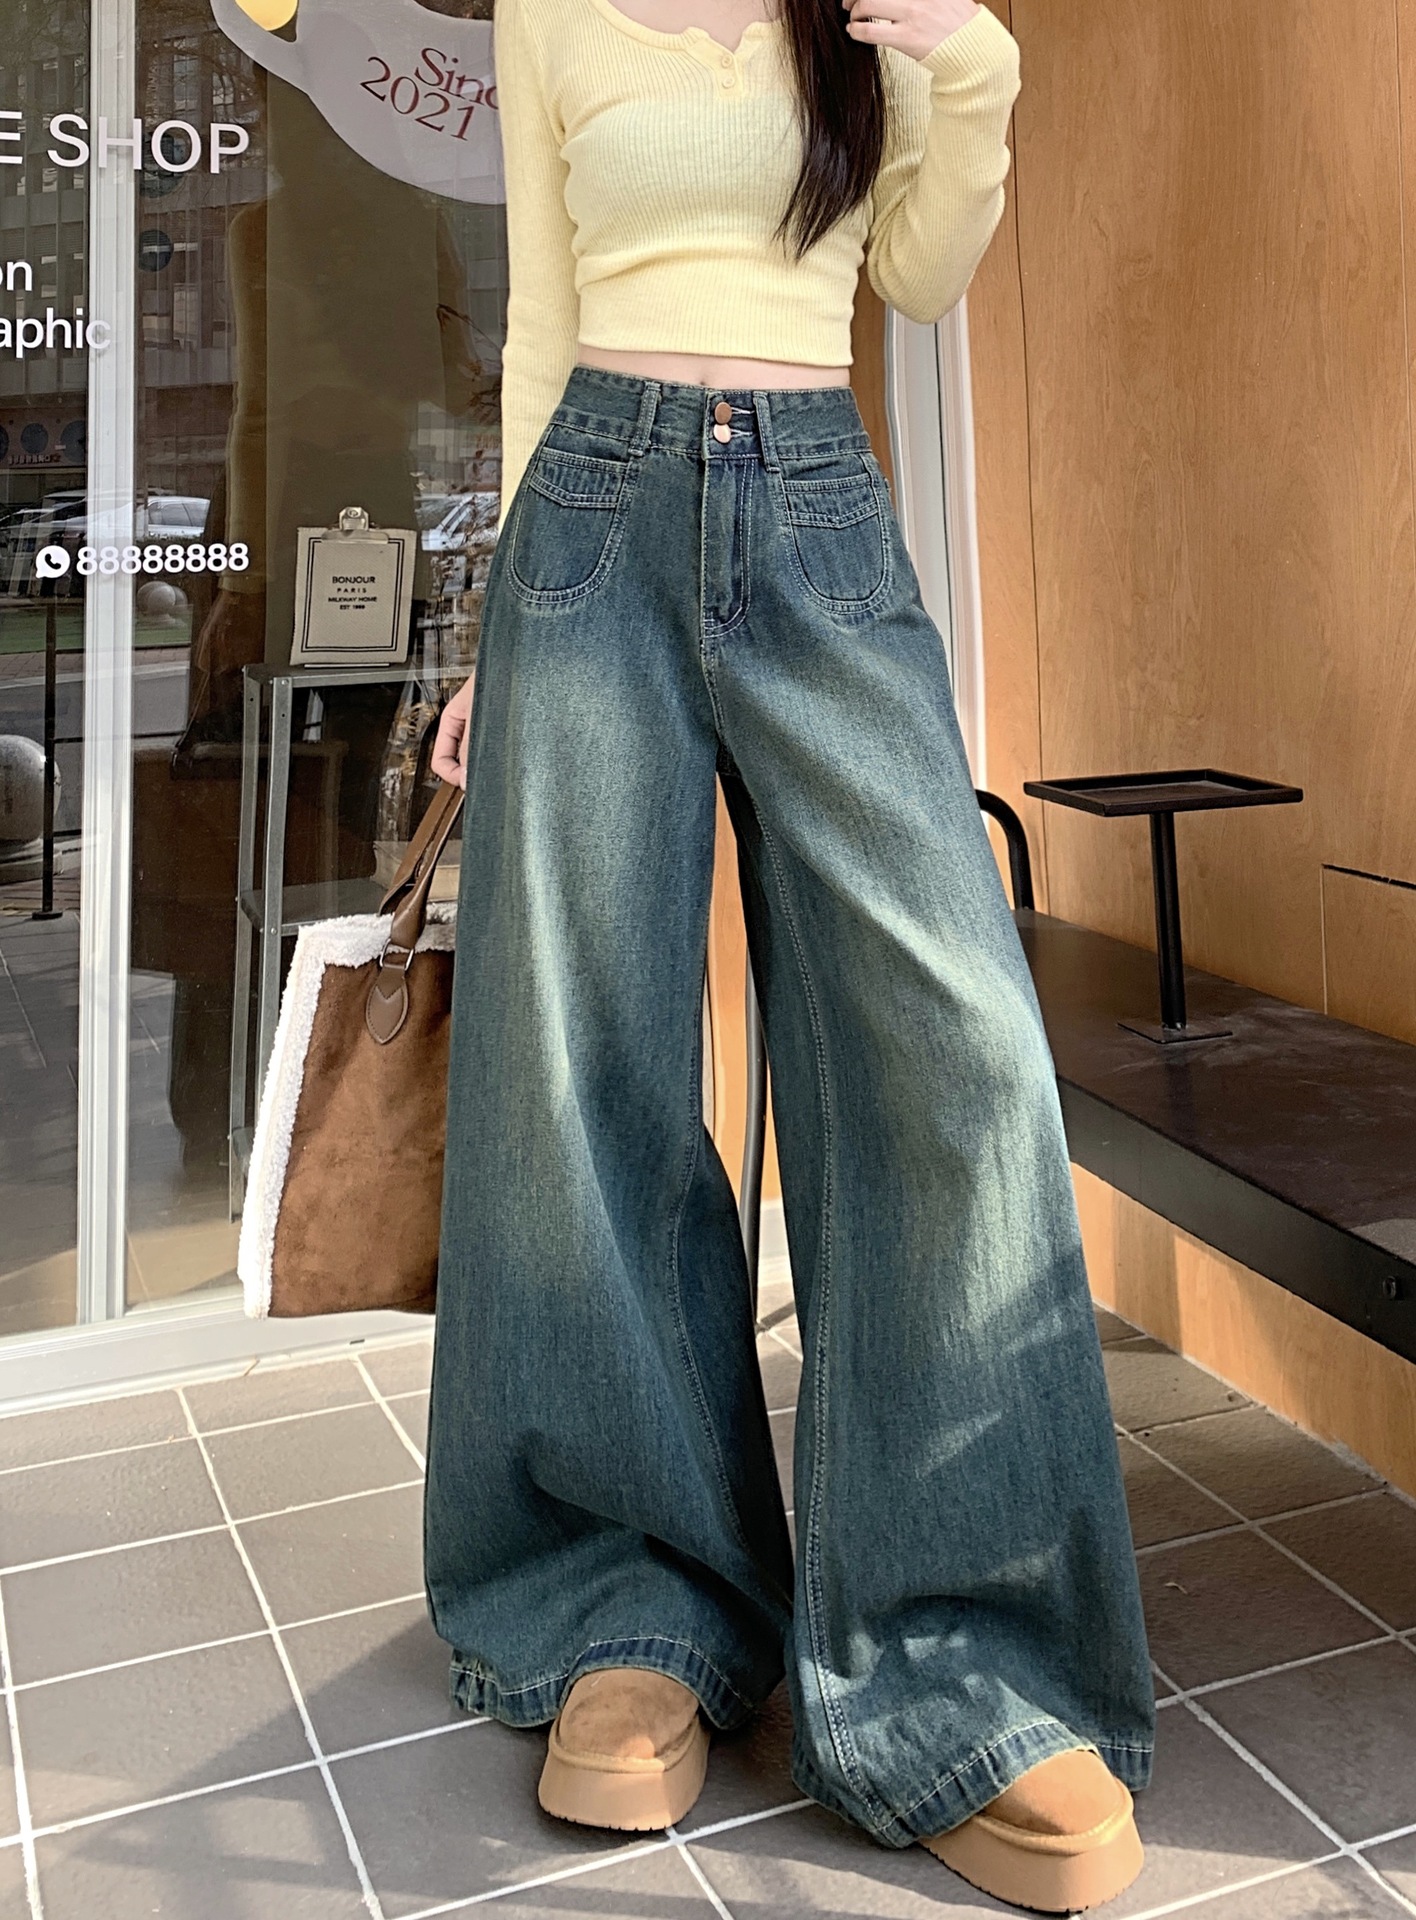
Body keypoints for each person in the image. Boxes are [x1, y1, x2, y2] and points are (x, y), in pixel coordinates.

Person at [426, 0, 1156, 1907]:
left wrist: (968, 60)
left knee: (955, 1057)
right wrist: (501, 629)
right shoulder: (550, 13)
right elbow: (539, 312)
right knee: (577, 1068)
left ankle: (965, 1652)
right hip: (589, 516)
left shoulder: (862, 15)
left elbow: (922, 270)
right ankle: (629, 1600)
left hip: (818, 502)